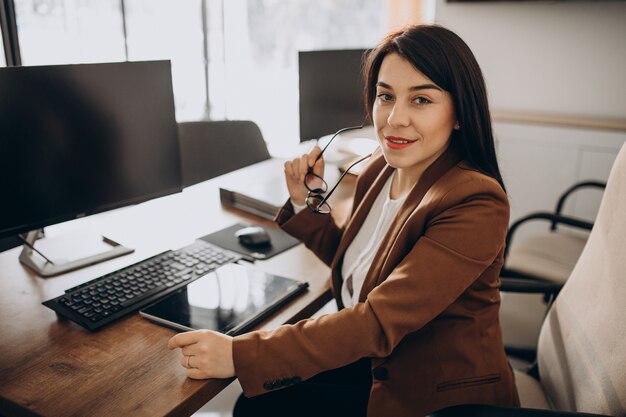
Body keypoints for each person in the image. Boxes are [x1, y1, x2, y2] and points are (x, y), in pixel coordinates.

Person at [168, 24, 520, 416]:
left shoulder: (474, 202)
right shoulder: (380, 169)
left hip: (431, 392)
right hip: (379, 360)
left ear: (459, 114)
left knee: (256, 407)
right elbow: (362, 265)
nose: (394, 119)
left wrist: (240, 354)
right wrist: (306, 204)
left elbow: (377, 320)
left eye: (421, 100)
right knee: (257, 402)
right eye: (385, 96)